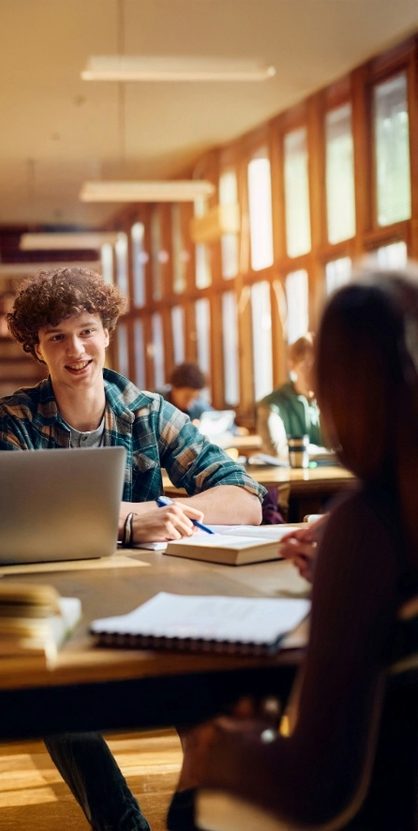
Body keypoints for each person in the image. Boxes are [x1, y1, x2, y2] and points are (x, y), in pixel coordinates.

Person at [0, 266, 265, 831]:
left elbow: (247, 497)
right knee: (54, 703)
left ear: (107, 331)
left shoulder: (147, 411)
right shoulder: (10, 420)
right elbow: (5, 520)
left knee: (207, 683)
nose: (74, 349)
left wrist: (175, 515)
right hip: (55, 605)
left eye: (86, 330)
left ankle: (202, 814)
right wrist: (133, 518)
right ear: (37, 347)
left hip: (149, 601)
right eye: (55, 337)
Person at [167, 266, 418, 830]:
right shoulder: (380, 526)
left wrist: (218, 747)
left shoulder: (368, 527)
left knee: (190, 806)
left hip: (372, 812)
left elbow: (314, 784)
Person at [256, 333, 324, 458]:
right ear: (292, 366)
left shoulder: (335, 403)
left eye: (320, 366)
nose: (314, 374)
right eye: (307, 366)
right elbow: (276, 450)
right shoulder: (271, 404)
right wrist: (329, 454)